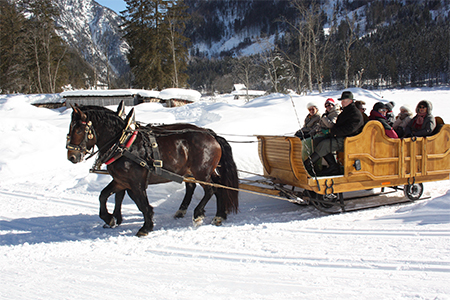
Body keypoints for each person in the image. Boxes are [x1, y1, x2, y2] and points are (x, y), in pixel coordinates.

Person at [303, 91, 364, 176]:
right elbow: (338, 126)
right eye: (342, 101)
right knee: (318, 140)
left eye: (344, 101)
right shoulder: (346, 112)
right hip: (341, 137)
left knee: (325, 144)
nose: (342, 102)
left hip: (349, 140)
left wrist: (332, 131)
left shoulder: (355, 114)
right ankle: (332, 166)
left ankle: (307, 165)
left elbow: (349, 130)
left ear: (350, 101)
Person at [301, 98, 340, 172]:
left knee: (319, 143)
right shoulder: (326, 114)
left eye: (330, 105)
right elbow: (318, 126)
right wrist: (312, 131)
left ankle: (310, 164)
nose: (328, 107)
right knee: (317, 141)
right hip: (321, 134)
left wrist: (324, 118)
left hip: (330, 135)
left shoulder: (334, 113)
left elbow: (330, 125)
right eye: (326, 105)